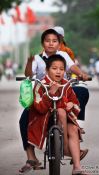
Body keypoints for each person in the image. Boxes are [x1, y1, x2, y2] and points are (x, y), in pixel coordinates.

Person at [19, 28, 89, 173]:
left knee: (81, 95)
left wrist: (81, 74)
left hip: (62, 93)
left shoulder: (64, 55)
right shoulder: (38, 59)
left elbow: (72, 67)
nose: (51, 44)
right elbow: (28, 74)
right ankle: (31, 156)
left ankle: (76, 165)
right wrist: (29, 62)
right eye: (47, 41)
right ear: (42, 43)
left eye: (54, 41)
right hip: (43, 93)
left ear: (59, 42)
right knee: (25, 118)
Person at [27, 54, 88, 175]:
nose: (58, 71)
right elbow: (39, 107)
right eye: (54, 68)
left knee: (74, 129)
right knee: (60, 111)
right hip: (43, 118)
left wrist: (71, 104)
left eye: (61, 69)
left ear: (65, 71)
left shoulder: (66, 84)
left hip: (63, 120)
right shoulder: (40, 84)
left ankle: (77, 167)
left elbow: (76, 105)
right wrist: (50, 93)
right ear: (46, 70)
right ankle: (65, 148)